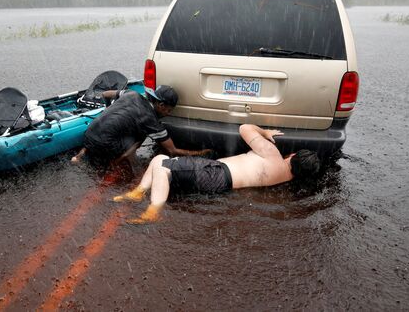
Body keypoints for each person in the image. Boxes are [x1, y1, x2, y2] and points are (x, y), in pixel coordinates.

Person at [113, 123, 321, 224]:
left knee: (163, 167)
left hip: (215, 172)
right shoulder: (285, 178)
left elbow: (244, 128)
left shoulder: (273, 155)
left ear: (292, 155)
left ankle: (153, 211)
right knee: (159, 159)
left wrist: (265, 133)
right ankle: (138, 191)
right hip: (218, 183)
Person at [71, 85, 210, 168]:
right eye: (168, 110)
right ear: (160, 105)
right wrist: (200, 153)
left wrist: (109, 109)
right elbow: (172, 150)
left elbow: (105, 94)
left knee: (105, 127)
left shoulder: (132, 93)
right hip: (106, 144)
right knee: (141, 135)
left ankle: (79, 156)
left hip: (89, 134)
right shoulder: (151, 121)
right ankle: (117, 161)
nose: (167, 114)